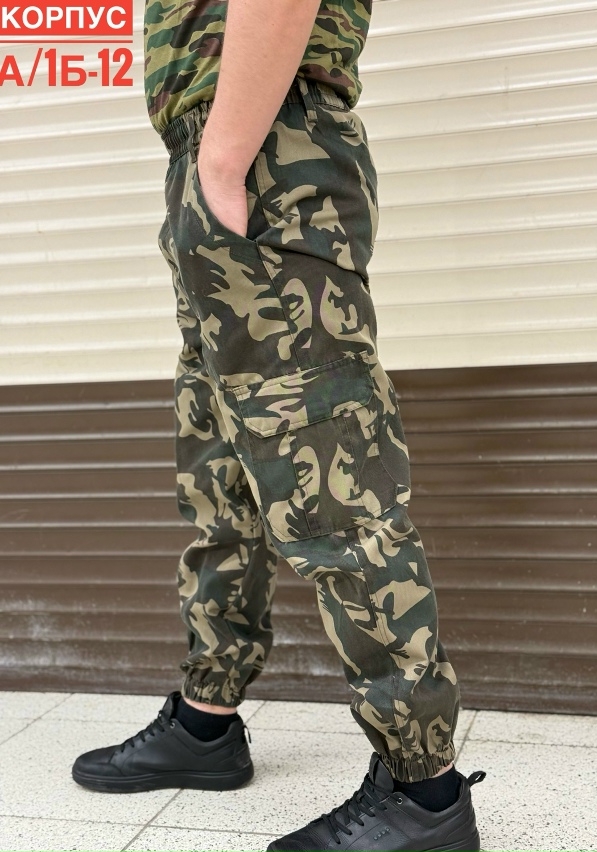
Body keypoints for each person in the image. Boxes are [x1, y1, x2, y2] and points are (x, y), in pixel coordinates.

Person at [71, 1, 486, 849]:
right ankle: (207, 721)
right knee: (221, 469)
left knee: (333, 483)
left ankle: (425, 793)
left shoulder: (244, 152)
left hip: (268, 148)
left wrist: (225, 161)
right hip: (222, 151)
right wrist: (208, 169)